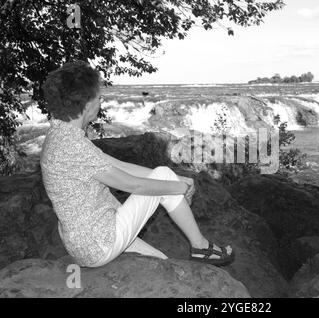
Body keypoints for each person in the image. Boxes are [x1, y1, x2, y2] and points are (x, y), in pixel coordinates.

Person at [39, 61, 234, 268]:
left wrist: (173, 180)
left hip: (86, 239)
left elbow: (116, 165)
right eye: (99, 97)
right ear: (87, 106)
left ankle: (196, 247)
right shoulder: (73, 146)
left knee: (162, 264)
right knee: (164, 175)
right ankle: (201, 247)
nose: (101, 100)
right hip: (99, 240)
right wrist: (177, 186)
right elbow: (133, 186)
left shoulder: (61, 134)